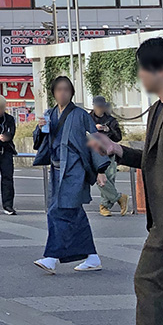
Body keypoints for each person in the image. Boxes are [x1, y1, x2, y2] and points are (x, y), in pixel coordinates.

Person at [90, 37, 163, 325]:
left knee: (147, 279)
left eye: (142, 67)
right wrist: (116, 150)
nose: (139, 74)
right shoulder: (158, 109)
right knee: (149, 281)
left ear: (159, 69)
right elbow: (155, 159)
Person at [33, 75, 109, 274]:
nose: (62, 93)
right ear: (53, 93)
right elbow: (40, 141)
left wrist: (101, 170)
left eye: (66, 89)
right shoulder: (50, 114)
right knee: (74, 214)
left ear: (72, 92)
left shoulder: (81, 115)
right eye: (58, 89)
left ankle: (51, 257)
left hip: (74, 170)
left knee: (58, 211)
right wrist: (40, 129)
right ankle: (92, 257)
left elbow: (94, 140)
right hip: (56, 169)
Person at [88, 95, 128, 216]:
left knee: (109, 179)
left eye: (101, 106)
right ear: (93, 106)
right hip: (93, 153)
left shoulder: (111, 120)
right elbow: (82, 132)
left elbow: (118, 137)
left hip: (108, 152)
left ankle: (104, 206)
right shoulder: (87, 118)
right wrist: (93, 129)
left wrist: (108, 129)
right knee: (99, 179)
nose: (99, 109)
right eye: (97, 106)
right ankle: (119, 198)